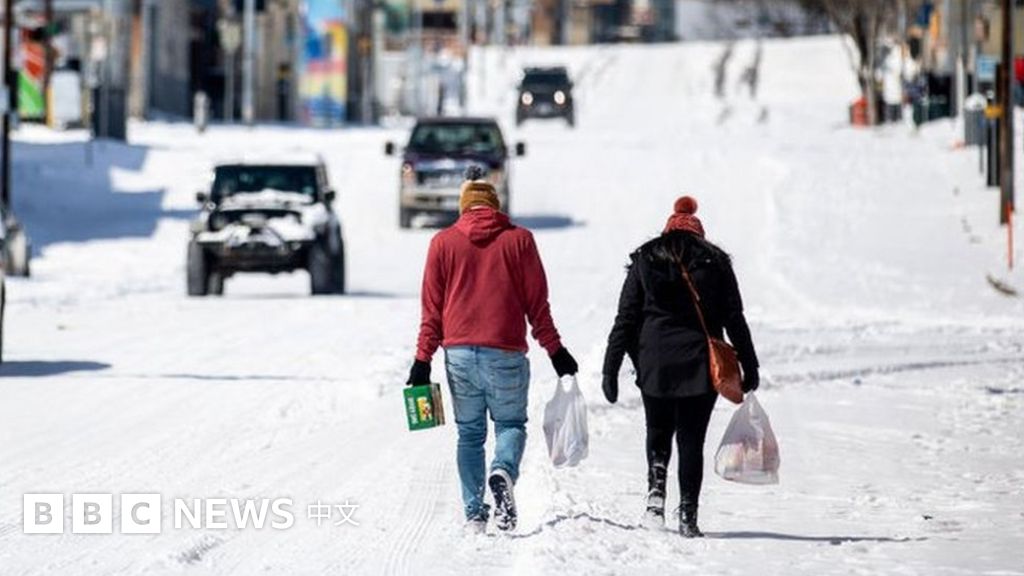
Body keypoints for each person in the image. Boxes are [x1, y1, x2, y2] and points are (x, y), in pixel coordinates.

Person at [408, 167, 578, 533]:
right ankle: (502, 470)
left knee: (469, 434)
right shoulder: (521, 241)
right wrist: (556, 351)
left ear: (464, 207)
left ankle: (474, 514)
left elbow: (431, 311)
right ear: (495, 206)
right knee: (510, 424)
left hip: (459, 356)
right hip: (505, 353)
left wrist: (422, 360)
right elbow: (538, 306)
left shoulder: (442, 243)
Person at [601, 196, 759, 538]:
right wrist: (750, 364)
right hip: (700, 364)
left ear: (668, 229)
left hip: (654, 362)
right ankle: (688, 513)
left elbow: (626, 318)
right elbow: (735, 319)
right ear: (698, 233)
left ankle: (655, 499)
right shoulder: (716, 262)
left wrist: (610, 368)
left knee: (657, 431)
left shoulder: (645, 259)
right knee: (691, 439)